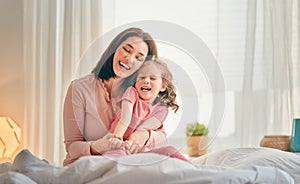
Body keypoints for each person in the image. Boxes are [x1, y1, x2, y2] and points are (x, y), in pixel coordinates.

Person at [63, 27, 167, 166]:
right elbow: (72, 148)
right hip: (88, 169)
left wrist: (146, 135)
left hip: (129, 168)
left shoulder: (139, 93)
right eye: (127, 50)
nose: (129, 59)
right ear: (114, 49)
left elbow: (162, 136)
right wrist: (100, 145)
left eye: (138, 58)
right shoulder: (79, 88)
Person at [101, 58, 190, 163]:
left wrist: (131, 144)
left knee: (171, 150)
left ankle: (194, 169)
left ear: (163, 86)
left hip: (142, 151)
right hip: (119, 145)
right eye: (142, 77)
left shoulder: (162, 109)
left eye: (152, 78)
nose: (146, 80)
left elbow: (142, 129)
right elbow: (125, 118)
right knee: (115, 157)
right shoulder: (131, 93)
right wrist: (116, 138)